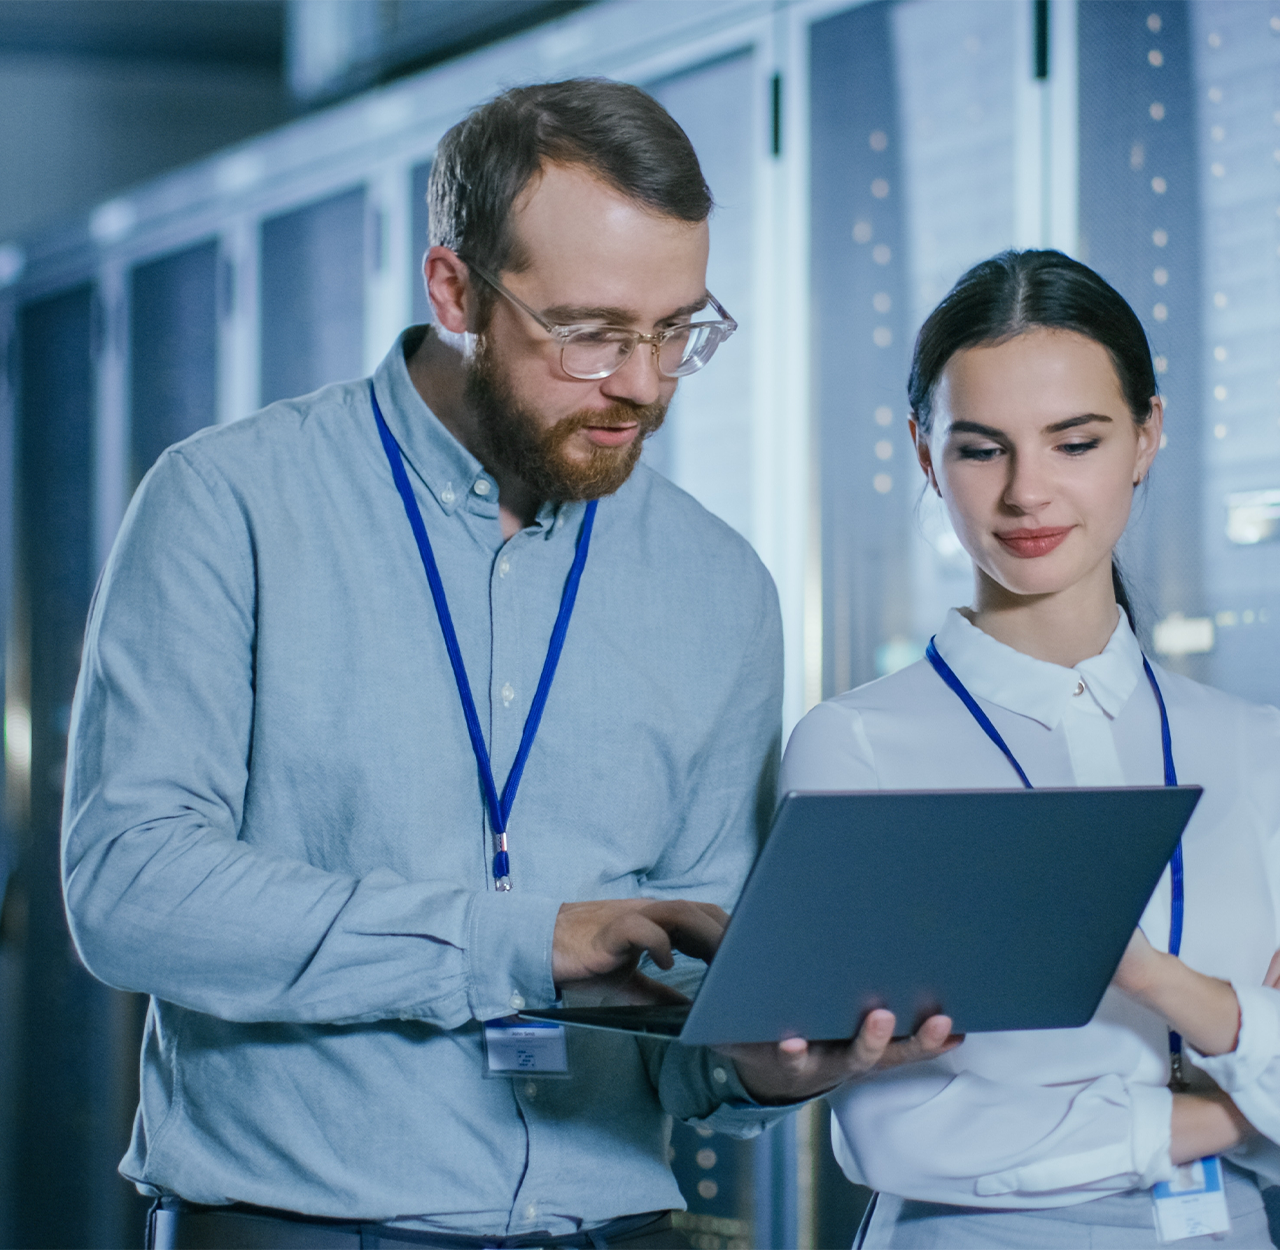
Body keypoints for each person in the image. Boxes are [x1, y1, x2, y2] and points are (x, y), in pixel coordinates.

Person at [62, 79, 949, 1250]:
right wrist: (519, 940)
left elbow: (688, 999)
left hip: (617, 1225)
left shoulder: (718, 583)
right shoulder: (229, 503)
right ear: (455, 289)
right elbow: (130, 891)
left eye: (677, 329)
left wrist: (757, 1064)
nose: (640, 381)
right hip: (300, 1225)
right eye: (589, 332)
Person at [781, 249, 1280, 1248]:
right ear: (925, 455)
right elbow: (893, 1128)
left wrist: (1149, 976)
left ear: (1146, 434)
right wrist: (1233, 1111)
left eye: (1074, 441)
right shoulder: (857, 746)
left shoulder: (1255, 747)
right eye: (980, 448)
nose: (1025, 492)